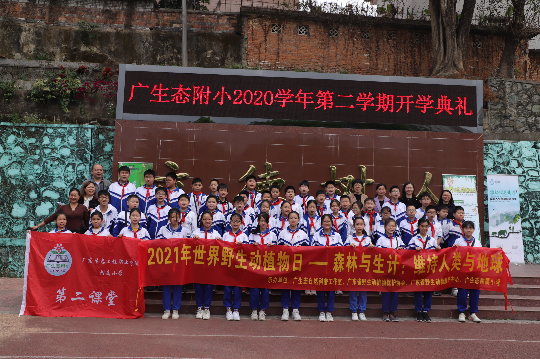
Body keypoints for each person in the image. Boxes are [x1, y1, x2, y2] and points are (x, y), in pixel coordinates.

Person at [156, 209, 188, 320]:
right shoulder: (163, 229)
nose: (175, 219)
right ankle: (166, 310)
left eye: (177, 217)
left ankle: (175, 309)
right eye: (172, 217)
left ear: (180, 218)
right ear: (169, 218)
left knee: (178, 286)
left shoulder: (184, 230)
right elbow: (157, 244)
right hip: (166, 262)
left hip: (179, 262)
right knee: (166, 286)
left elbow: (188, 245)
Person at [408, 217, 440, 322]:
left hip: (429, 270)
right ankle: (418, 311)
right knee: (417, 290)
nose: (424, 228)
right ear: (418, 227)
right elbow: (407, 253)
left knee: (428, 291)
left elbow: (437, 255)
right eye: (422, 226)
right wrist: (414, 250)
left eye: (426, 226)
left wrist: (438, 250)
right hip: (417, 269)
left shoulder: (432, 240)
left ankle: (425, 311)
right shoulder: (414, 239)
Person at [277, 211, 308, 321]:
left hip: (298, 265)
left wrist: (302, 248)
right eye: (291, 218)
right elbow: (277, 249)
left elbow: (308, 250)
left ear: (299, 220)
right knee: (285, 287)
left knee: (296, 287)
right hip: (285, 264)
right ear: (288, 219)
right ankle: (285, 310)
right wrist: (283, 247)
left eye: (295, 218)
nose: (293, 220)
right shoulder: (282, 233)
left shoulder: (303, 234)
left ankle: (295, 310)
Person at [312, 214, 342, 322]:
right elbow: (313, 250)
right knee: (320, 290)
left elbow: (341, 250)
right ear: (321, 223)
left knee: (331, 290)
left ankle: (329, 311)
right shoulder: (316, 235)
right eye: (324, 221)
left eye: (329, 221)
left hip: (332, 266)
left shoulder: (337, 235)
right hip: (320, 266)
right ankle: (321, 311)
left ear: (332, 223)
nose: (326, 223)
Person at [192, 211, 222, 320]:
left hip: (211, 264)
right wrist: (193, 240)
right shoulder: (195, 232)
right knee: (199, 286)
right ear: (201, 220)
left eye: (209, 219)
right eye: (205, 219)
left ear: (212, 220)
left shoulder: (216, 233)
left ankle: (207, 308)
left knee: (209, 286)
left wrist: (219, 241)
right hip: (199, 263)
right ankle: (200, 307)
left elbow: (221, 249)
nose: (207, 221)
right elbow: (190, 247)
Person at [376, 218, 405, 322]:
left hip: (396, 269)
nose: (391, 228)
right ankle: (385, 312)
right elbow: (378, 252)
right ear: (385, 227)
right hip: (385, 269)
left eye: (393, 226)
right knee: (386, 291)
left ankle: (392, 312)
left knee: (395, 291)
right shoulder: (380, 239)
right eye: (389, 226)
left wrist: (401, 251)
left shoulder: (398, 239)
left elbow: (404, 252)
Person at [248, 213, 276, 321]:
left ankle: (263, 310)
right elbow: (247, 250)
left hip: (267, 265)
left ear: (268, 222)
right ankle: (254, 310)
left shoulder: (272, 235)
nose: (262, 223)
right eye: (261, 221)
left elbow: (278, 251)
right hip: (255, 265)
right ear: (258, 222)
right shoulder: (253, 234)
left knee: (265, 289)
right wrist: (253, 247)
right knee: (254, 289)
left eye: (264, 221)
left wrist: (272, 247)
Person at [453, 221, 482, 323]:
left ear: (474, 230)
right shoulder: (458, 241)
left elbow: (482, 255)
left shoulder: (477, 242)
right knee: (462, 292)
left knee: (475, 293)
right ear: (463, 229)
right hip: (463, 271)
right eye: (466, 228)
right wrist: (455, 249)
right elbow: (453, 255)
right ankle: (461, 312)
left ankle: (473, 313)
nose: (468, 230)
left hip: (474, 271)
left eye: (470, 228)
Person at [220, 213, 248, 321]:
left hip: (239, 266)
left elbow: (248, 252)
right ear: (230, 222)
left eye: (237, 221)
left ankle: (236, 309)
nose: (235, 223)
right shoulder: (226, 235)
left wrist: (242, 246)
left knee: (237, 289)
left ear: (241, 223)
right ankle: (228, 309)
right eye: (233, 221)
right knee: (227, 289)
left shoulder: (244, 236)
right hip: (228, 265)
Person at [346, 217, 373, 321]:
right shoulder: (350, 238)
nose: (359, 226)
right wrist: (349, 246)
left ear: (364, 226)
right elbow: (343, 250)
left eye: (361, 224)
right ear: (354, 225)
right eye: (357, 224)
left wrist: (371, 247)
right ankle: (353, 310)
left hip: (364, 268)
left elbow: (371, 253)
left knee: (363, 290)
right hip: (353, 267)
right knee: (353, 289)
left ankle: (362, 310)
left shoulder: (367, 239)